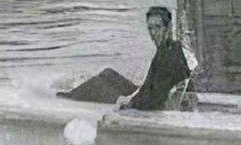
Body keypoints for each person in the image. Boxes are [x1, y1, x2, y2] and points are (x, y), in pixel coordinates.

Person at [57, 6, 193, 111]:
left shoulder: (169, 55)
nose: (153, 33)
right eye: (150, 28)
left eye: (158, 28)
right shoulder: (169, 48)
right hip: (144, 94)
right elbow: (154, 86)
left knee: (99, 84)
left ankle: (69, 98)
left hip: (147, 104)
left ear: (168, 28)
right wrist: (135, 93)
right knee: (108, 73)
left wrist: (129, 104)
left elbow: (156, 99)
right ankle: (72, 94)